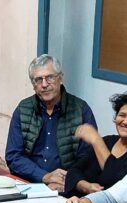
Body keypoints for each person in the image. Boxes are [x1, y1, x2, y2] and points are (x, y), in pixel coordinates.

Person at [5, 54, 97, 191]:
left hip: (66, 186)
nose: (44, 84)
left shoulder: (80, 110)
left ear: (61, 78)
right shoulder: (23, 109)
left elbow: (88, 157)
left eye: (49, 78)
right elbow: (13, 156)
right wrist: (44, 176)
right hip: (28, 183)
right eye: (38, 80)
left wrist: (67, 180)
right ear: (33, 85)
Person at [62, 91, 127, 198]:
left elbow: (115, 184)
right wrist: (85, 186)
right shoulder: (107, 141)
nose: (125, 121)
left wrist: (96, 141)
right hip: (76, 202)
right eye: (122, 115)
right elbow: (73, 171)